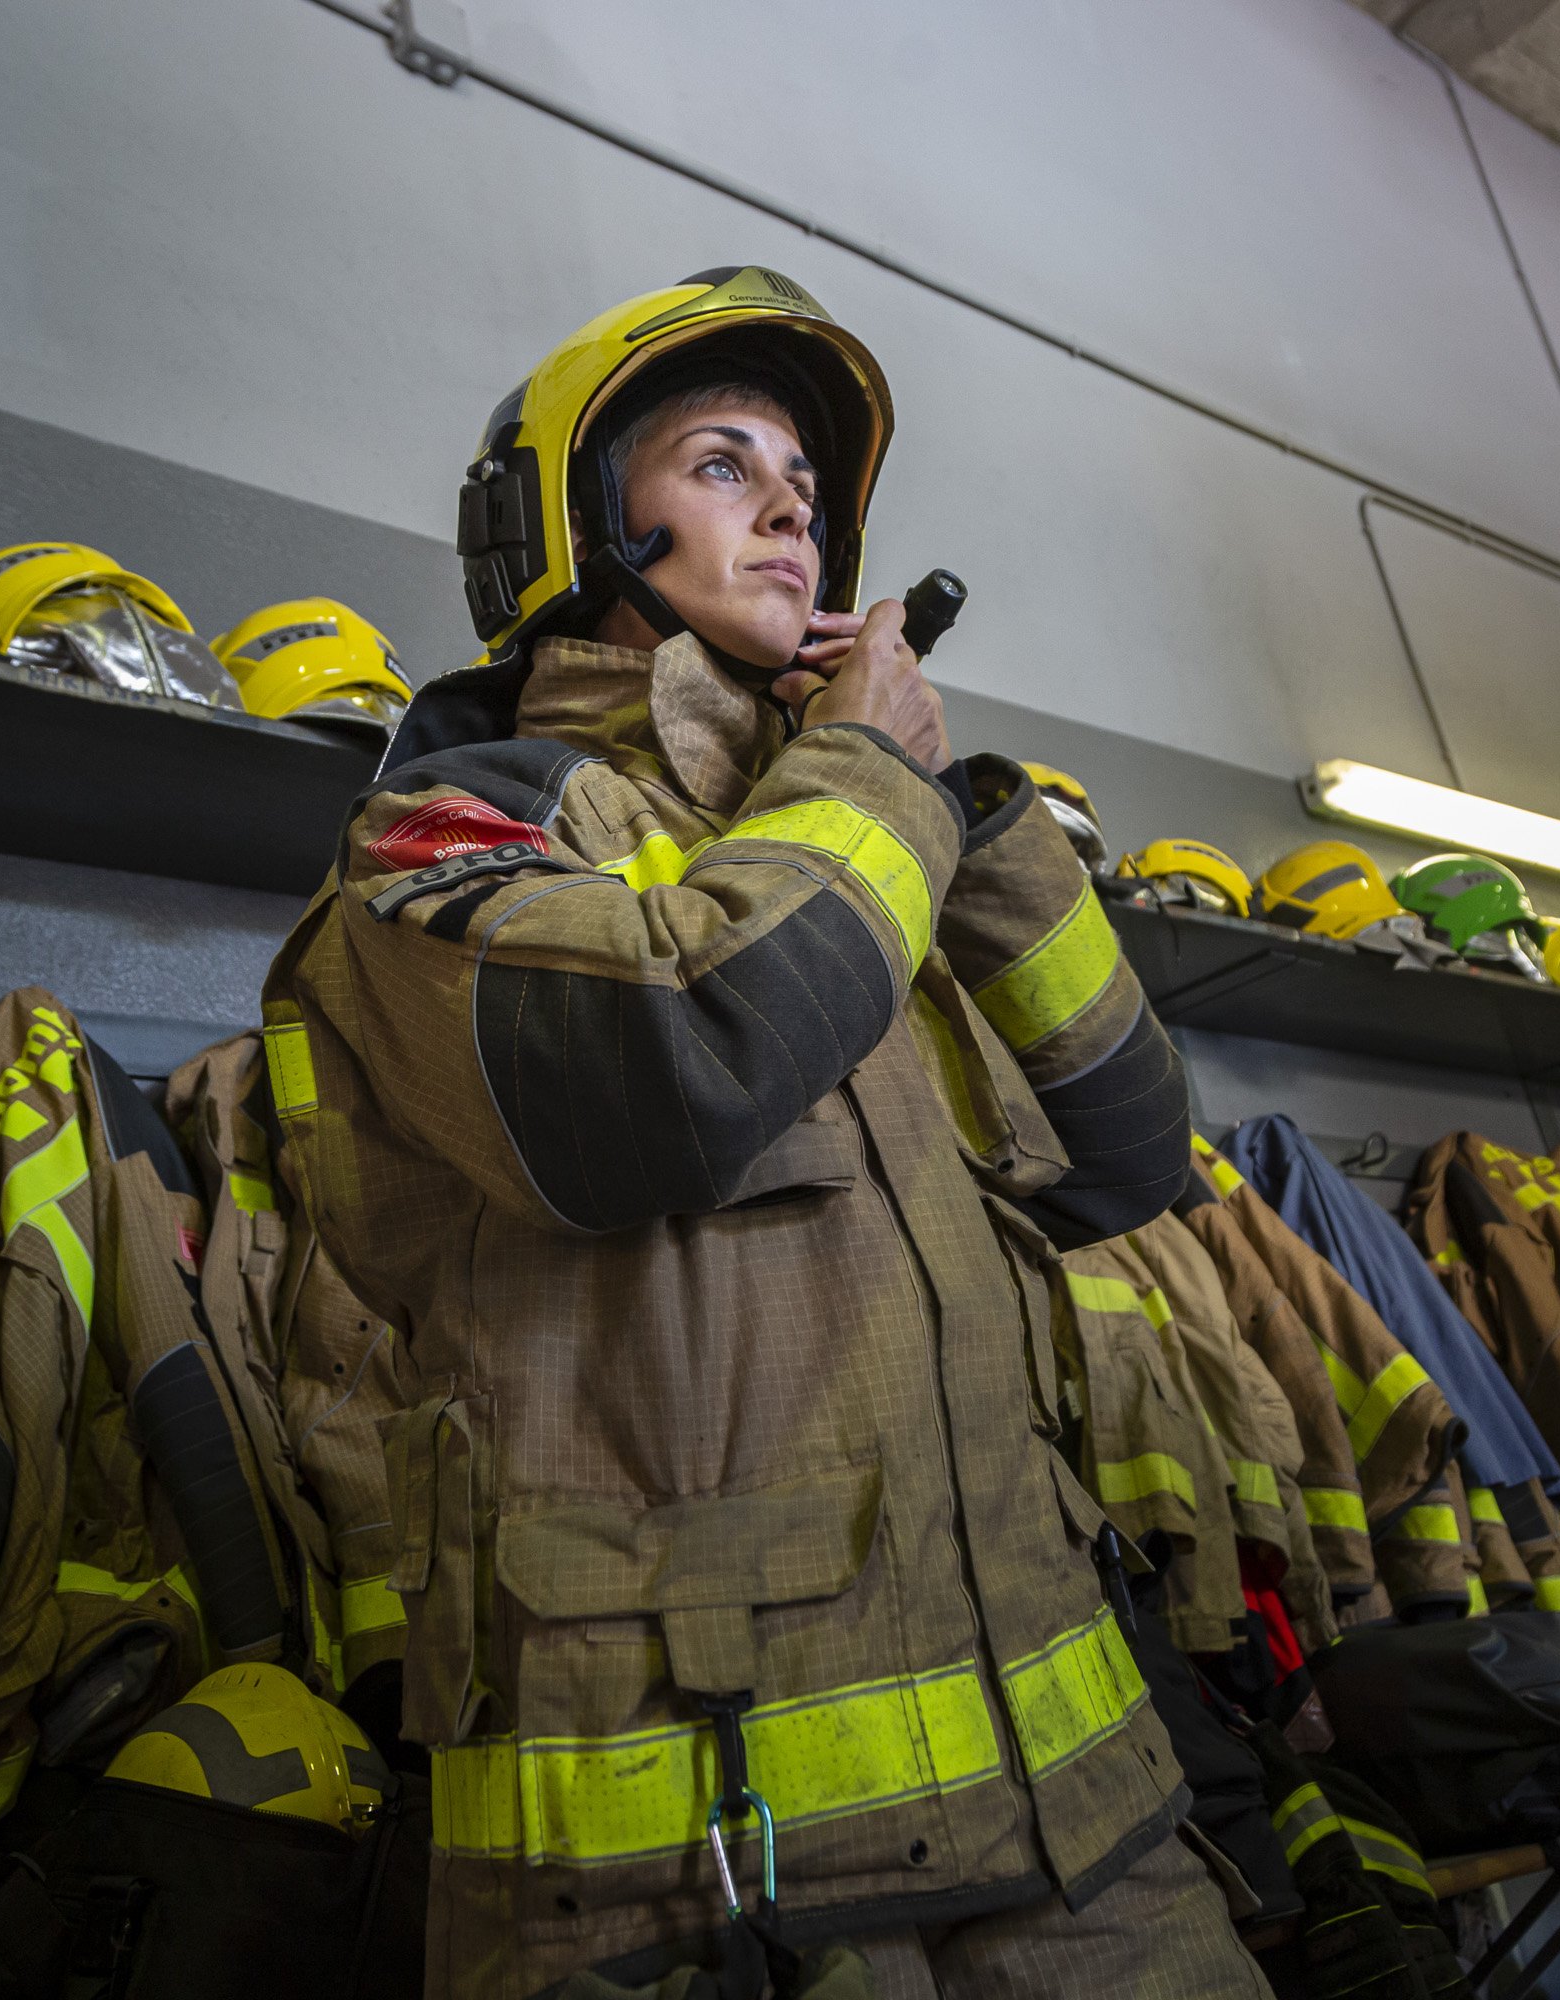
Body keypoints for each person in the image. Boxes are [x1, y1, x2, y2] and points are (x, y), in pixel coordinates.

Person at [259, 267, 1266, 1998]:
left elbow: (1126, 1156)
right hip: (698, 1898)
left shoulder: (858, 847)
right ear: (579, 527)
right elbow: (668, 1075)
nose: (794, 501)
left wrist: (972, 822)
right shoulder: (451, 832)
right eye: (724, 463)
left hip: (1092, 1846)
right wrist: (873, 776)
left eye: (805, 479)